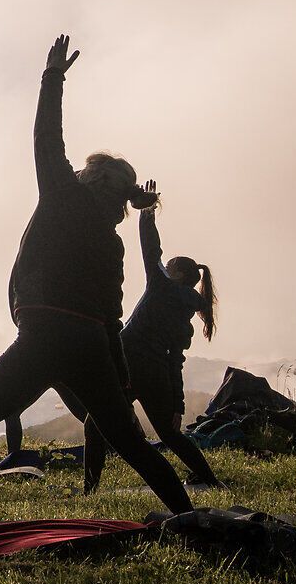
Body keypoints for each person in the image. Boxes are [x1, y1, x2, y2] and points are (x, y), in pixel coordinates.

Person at [0, 36, 194, 561]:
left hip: (47, 339)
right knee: (135, 447)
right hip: (93, 349)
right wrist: (119, 376)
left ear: (89, 176)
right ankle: (193, 523)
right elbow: (111, 317)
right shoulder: (112, 238)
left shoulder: (62, 193)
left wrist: (52, 76)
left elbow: (46, 139)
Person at [78, 192, 222, 487]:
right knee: (169, 434)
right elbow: (175, 361)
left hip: (128, 363)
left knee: (94, 426)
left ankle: (89, 490)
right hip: (155, 373)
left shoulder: (162, 287)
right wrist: (178, 406)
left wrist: (147, 213)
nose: (163, 269)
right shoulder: (186, 313)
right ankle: (211, 480)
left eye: (169, 267)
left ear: (178, 274)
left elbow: (150, 251)